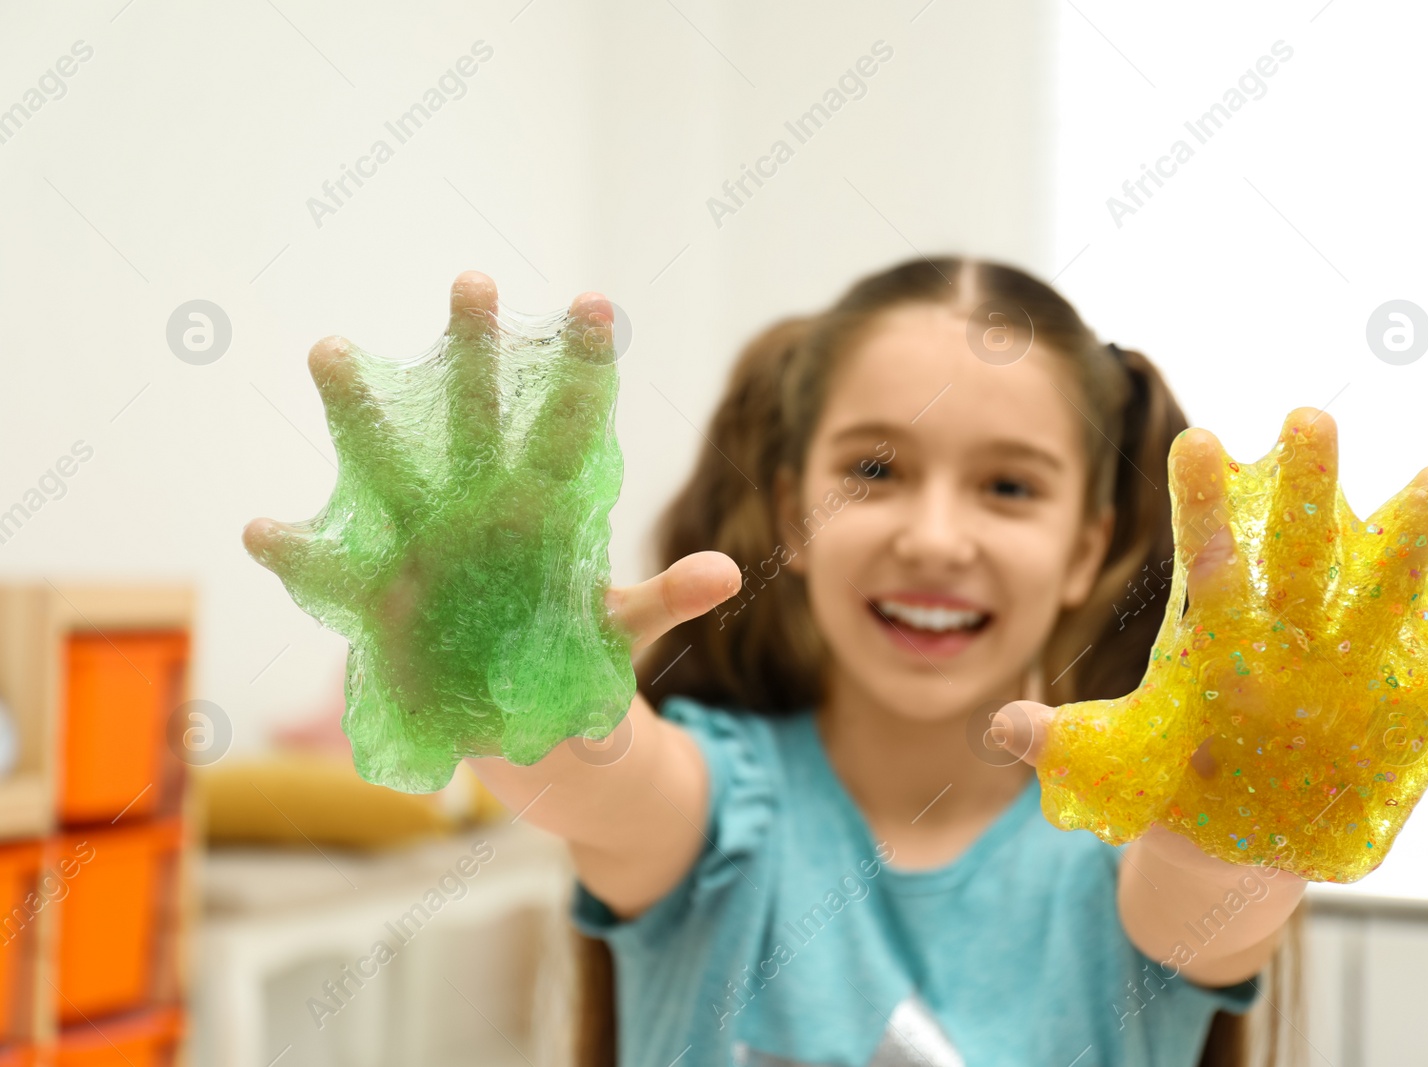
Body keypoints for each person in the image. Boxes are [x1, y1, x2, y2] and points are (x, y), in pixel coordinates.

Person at [467, 254, 1320, 1067]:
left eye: (1010, 486)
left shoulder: (1134, 855)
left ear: (1084, 549)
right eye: (875, 470)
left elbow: (1208, 877)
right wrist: (513, 666)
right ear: (794, 509)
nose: (935, 539)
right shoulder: (720, 812)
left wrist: (1247, 797)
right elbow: (590, 767)